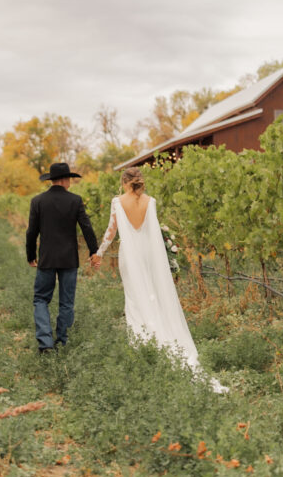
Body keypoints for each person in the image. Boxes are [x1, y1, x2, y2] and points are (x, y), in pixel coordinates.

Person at [93, 166, 227, 392]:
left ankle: (143, 346)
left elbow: (111, 231)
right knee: (152, 293)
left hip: (130, 255)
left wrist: (99, 252)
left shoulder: (118, 202)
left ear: (125, 182)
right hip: (148, 253)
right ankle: (160, 335)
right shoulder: (150, 201)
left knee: (135, 298)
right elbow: (153, 233)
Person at [26, 161, 100, 353]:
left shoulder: (38, 201)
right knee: (66, 301)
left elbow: (31, 232)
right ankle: (62, 341)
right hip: (69, 259)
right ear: (66, 180)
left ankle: (45, 342)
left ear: (52, 180)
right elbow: (87, 228)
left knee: (41, 299)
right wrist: (94, 251)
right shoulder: (75, 201)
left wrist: (31, 255)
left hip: (47, 258)